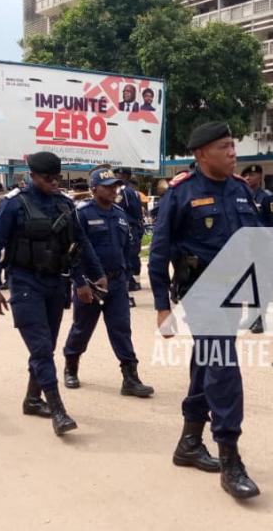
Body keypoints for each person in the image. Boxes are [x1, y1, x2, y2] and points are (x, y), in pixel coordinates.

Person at [149, 121, 273, 500]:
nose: (232, 152)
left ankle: (189, 443)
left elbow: (263, 241)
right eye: (224, 146)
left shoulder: (242, 190)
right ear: (201, 154)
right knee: (224, 369)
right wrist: (162, 307)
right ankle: (231, 459)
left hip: (237, 293)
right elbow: (158, 254)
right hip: (201, 295)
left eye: (233, 145)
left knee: (206, 364)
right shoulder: (180, 194)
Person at [0, 151, 106, 435]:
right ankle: (58, 409)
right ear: (32, 176)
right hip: (24, 283)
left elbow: (77, 245)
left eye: (57, 177)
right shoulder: (14, 205)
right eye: (48, 177)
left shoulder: (64, 205)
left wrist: (91, 276)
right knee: (40, 348)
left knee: (46, 347)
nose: (54, 181)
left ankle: (32, 399)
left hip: (54, 284)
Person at [62, 167, 153, 397]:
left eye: (115, 186)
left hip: (116, 283)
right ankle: (71, 367)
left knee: (121, 329)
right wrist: (80, 281)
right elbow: (73, 252)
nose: (114, 190)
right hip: (90, 285)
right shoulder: (82, 214)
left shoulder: (120, 214)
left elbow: (125, 249)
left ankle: (130, 378)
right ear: (94, 189)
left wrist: (124, 277)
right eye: (108, 186)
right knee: (82, 328)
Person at [240, 164, 273, 333]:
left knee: (261, 284)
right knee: (248, 284)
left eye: (253, 175)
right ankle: (251, 316)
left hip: (261, 248)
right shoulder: (241, 196)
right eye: (246, 175)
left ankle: (260, 318)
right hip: (245, 248)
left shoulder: (266, 198)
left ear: (260, 177)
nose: (248, 178)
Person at [114, 167, 144, 292]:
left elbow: (117, 206)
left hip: (128, 226)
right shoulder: (131, 191)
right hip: (133, 226)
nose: (116, 176)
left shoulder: (124, 191)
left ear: (125, 176)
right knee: (132, 254)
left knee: (128, 255)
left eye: (118, 174)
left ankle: (131, 282)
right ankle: (134, 281)